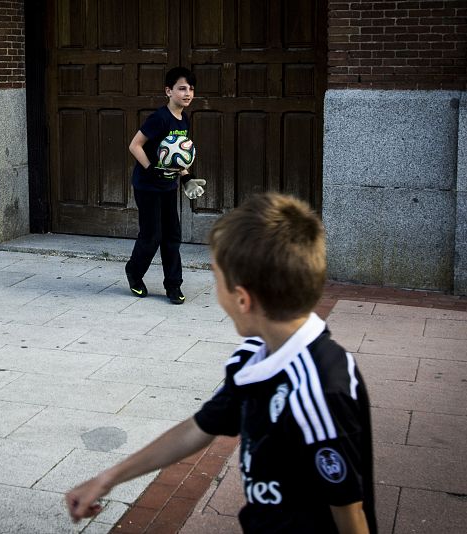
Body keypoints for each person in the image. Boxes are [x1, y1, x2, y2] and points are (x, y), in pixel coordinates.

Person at [67, 193, 377, 534]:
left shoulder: (319, 391)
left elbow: (351, 516)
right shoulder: (255, 358)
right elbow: (199, 429)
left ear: (243, 299)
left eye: (217, 281)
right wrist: (108, 478)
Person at [125, 67, 206, 305]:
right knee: (152, 236)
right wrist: (152, 170)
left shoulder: (184, 119)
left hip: (168, 187)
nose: (188, 93)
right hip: (147, 186)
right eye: (182, 88)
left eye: (191, 89)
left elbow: (179, 155)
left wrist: (186, 178)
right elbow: (135, 145)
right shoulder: (159, 118)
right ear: (169, 91)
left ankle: (173, 286)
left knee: (172, 236)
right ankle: (134, 272)